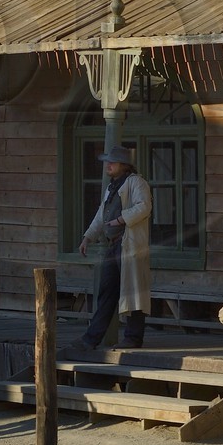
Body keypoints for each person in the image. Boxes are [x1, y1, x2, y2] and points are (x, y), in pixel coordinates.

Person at [76, 145, 152, 350]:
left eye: (113, 162)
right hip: (114, 245)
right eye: (107, 162)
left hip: (129, 244)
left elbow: (144, 206)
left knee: (134, 292)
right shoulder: (112, 187)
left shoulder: (136, 182)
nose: (108, 165)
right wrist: (88, 237)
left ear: (124, 165)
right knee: (107, 292)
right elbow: (102, 214)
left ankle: (133, 337)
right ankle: (91, 338)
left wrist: (121, 219)